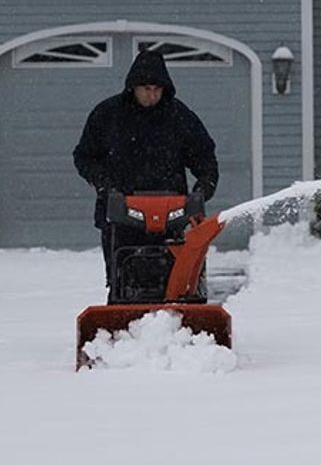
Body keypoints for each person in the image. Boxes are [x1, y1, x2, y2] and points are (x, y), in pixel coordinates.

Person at [73, 50, 219, 287]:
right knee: (123, 276)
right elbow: (85, 156)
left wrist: (203, 187)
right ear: (133, 88)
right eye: (146, 89)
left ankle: (173, 316)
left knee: (176, 277)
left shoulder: (179, 117)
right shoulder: (108, 115)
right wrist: (105, 185)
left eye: (157, 90)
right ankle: (122, 311)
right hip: (121, 213)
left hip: (172, 213)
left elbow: (204, 156)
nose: (152, 95)